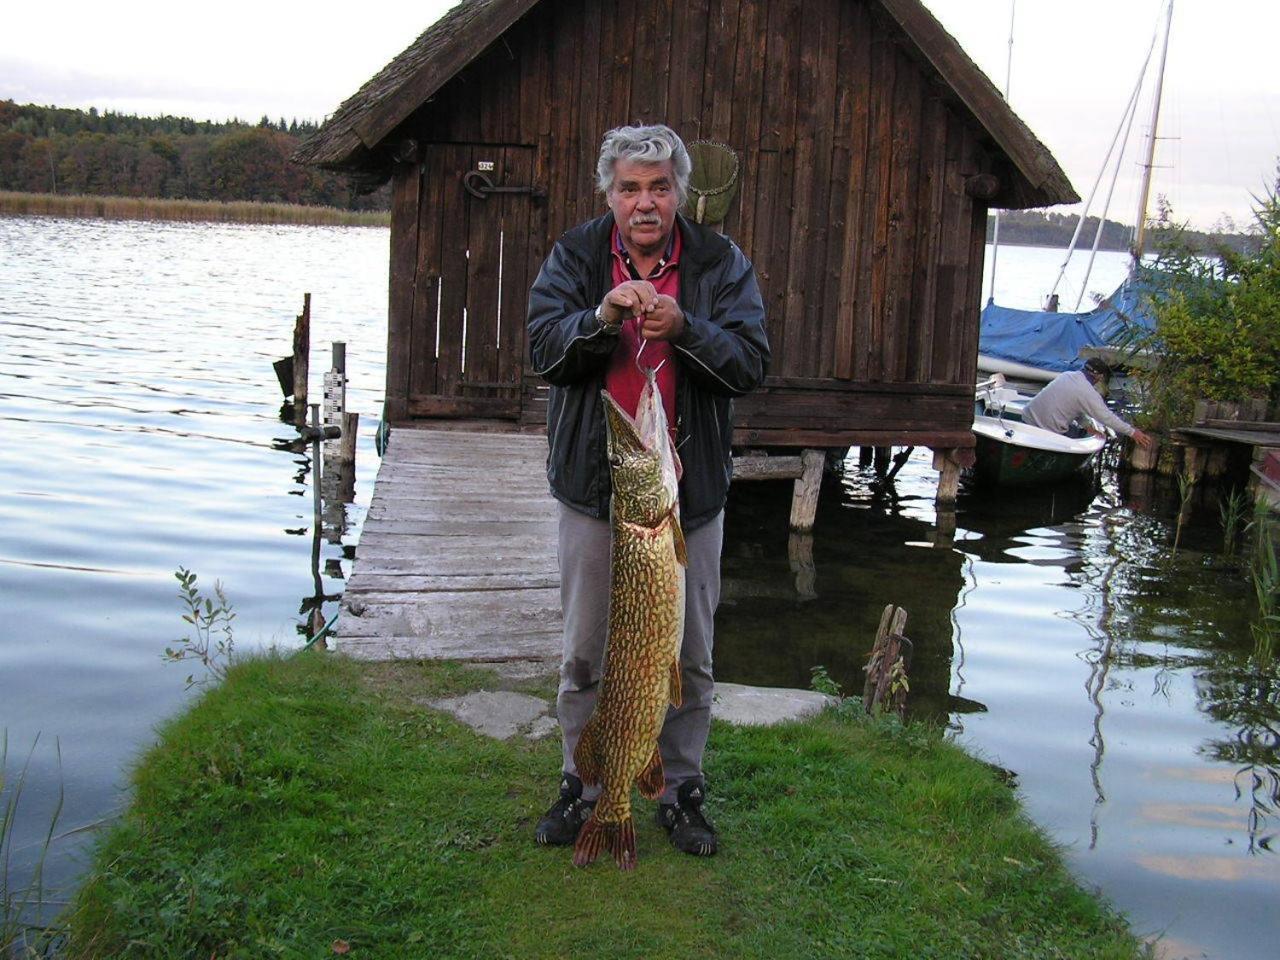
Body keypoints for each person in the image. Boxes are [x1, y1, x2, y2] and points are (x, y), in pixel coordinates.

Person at [526, 124, 770, 857]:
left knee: (687, 657)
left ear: (679, 193)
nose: (645, 202)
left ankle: (683, 787)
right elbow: (545, 351)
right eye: (630, 188)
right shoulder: (574, 256)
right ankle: (585, 784)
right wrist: (601, 319)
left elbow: (751, 365)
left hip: (685, 504)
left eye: (659, 187)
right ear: (609, 193)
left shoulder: (719, 263)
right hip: (596, 494)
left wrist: (686, 328)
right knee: (583, 654)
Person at [1022, 357, 1153, 447]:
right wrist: (1133, 432)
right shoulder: (1088, 392)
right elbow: (1107, 417)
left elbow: (1073, 407)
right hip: (1047, 432)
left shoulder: (1066, 375)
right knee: (1077, 436)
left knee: (1076, 429)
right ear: (1099, 377)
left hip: (1027, 419)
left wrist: (1087, 426)